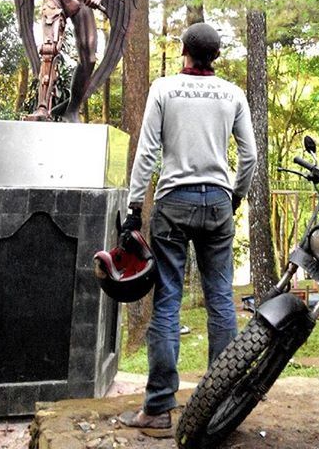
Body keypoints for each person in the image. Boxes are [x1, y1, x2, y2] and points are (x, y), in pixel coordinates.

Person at [119, 22, 257, 437]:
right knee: (220, 300)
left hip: (172, 204)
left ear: (184, 51)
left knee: (167, 303)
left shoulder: (164, 89)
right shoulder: (232, 94)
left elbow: (147, 153)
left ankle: (159, 408)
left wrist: (133, 207)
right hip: (217, 202)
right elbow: (249, 155)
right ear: (216, 55)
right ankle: (218, 406)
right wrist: (234, 196)